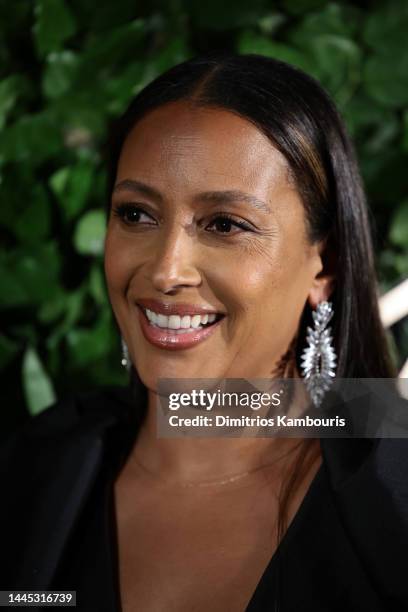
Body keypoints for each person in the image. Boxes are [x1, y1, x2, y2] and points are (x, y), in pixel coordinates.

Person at [1, 53, 408, 612]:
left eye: (224, 224)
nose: (166, 270)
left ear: (325, 266)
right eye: (136, 214)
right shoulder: (33, 471)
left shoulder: (391, 488)